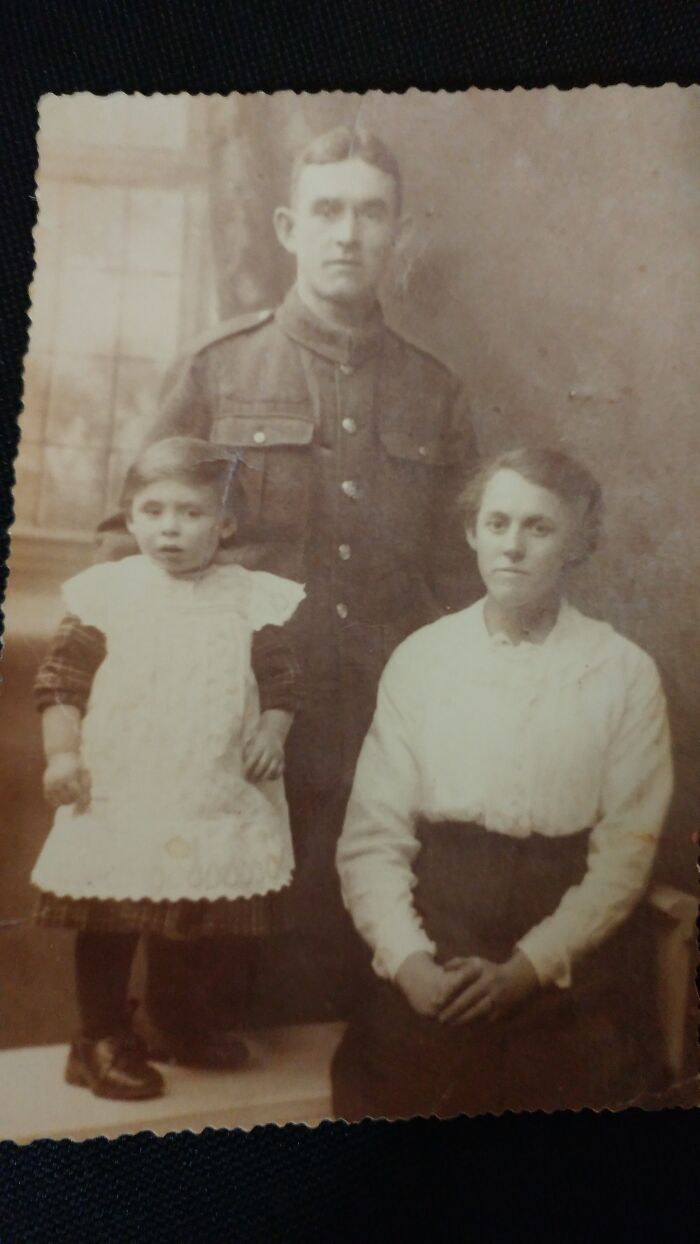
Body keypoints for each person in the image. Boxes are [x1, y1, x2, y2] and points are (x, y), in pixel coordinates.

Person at [100, 125, 479, 1026]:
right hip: (234, 736)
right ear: (287, 226)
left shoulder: (438, 393)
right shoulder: (216, 368)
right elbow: (125, 546)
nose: (348, 233)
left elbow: (465, 587)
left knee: (352, 1006)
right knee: (212, 1017)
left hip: (381, 740)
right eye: (327, 210)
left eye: (371, 213)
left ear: (400, 232)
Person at [332, 446, 673, 1120]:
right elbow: (373, 838)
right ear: (471, 533)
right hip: (440, 924)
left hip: (566, 945)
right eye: (496, 524)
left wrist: (527, 970)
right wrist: (409, 964)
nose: (512, 546)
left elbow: (625, 858)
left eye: (539, 528)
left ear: (579, 542)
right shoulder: (424, 660)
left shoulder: (623, 672)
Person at [31, 437, 305, 1100]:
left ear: (226, 524)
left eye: (189, 513)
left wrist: (273, 727)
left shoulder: (250, 597)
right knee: (112, 913)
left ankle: (176, 1022)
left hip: (207, 786)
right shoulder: (107, 592)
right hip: (121, 788)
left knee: (192, 914)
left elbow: (285, 679)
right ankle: (97, 1037)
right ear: (130, 520)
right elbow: (61, 679)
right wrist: (63, 753)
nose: (169, 528)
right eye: (152, 511)